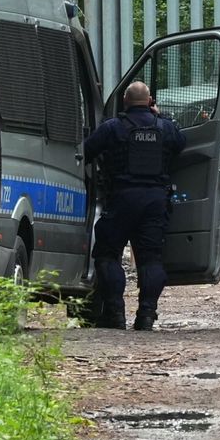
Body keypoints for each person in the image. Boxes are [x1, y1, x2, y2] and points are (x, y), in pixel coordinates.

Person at [83, 81, 186, 330]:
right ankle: (146, 315)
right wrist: (158, 116)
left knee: (107, 256)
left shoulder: (112, 128)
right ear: (150, 101)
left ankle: (115, 314)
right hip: (155, 201)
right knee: (151, 259)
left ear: (125, 101)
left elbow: (85, 151)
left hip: (121, 199)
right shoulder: (166, 128)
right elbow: (181, 145)